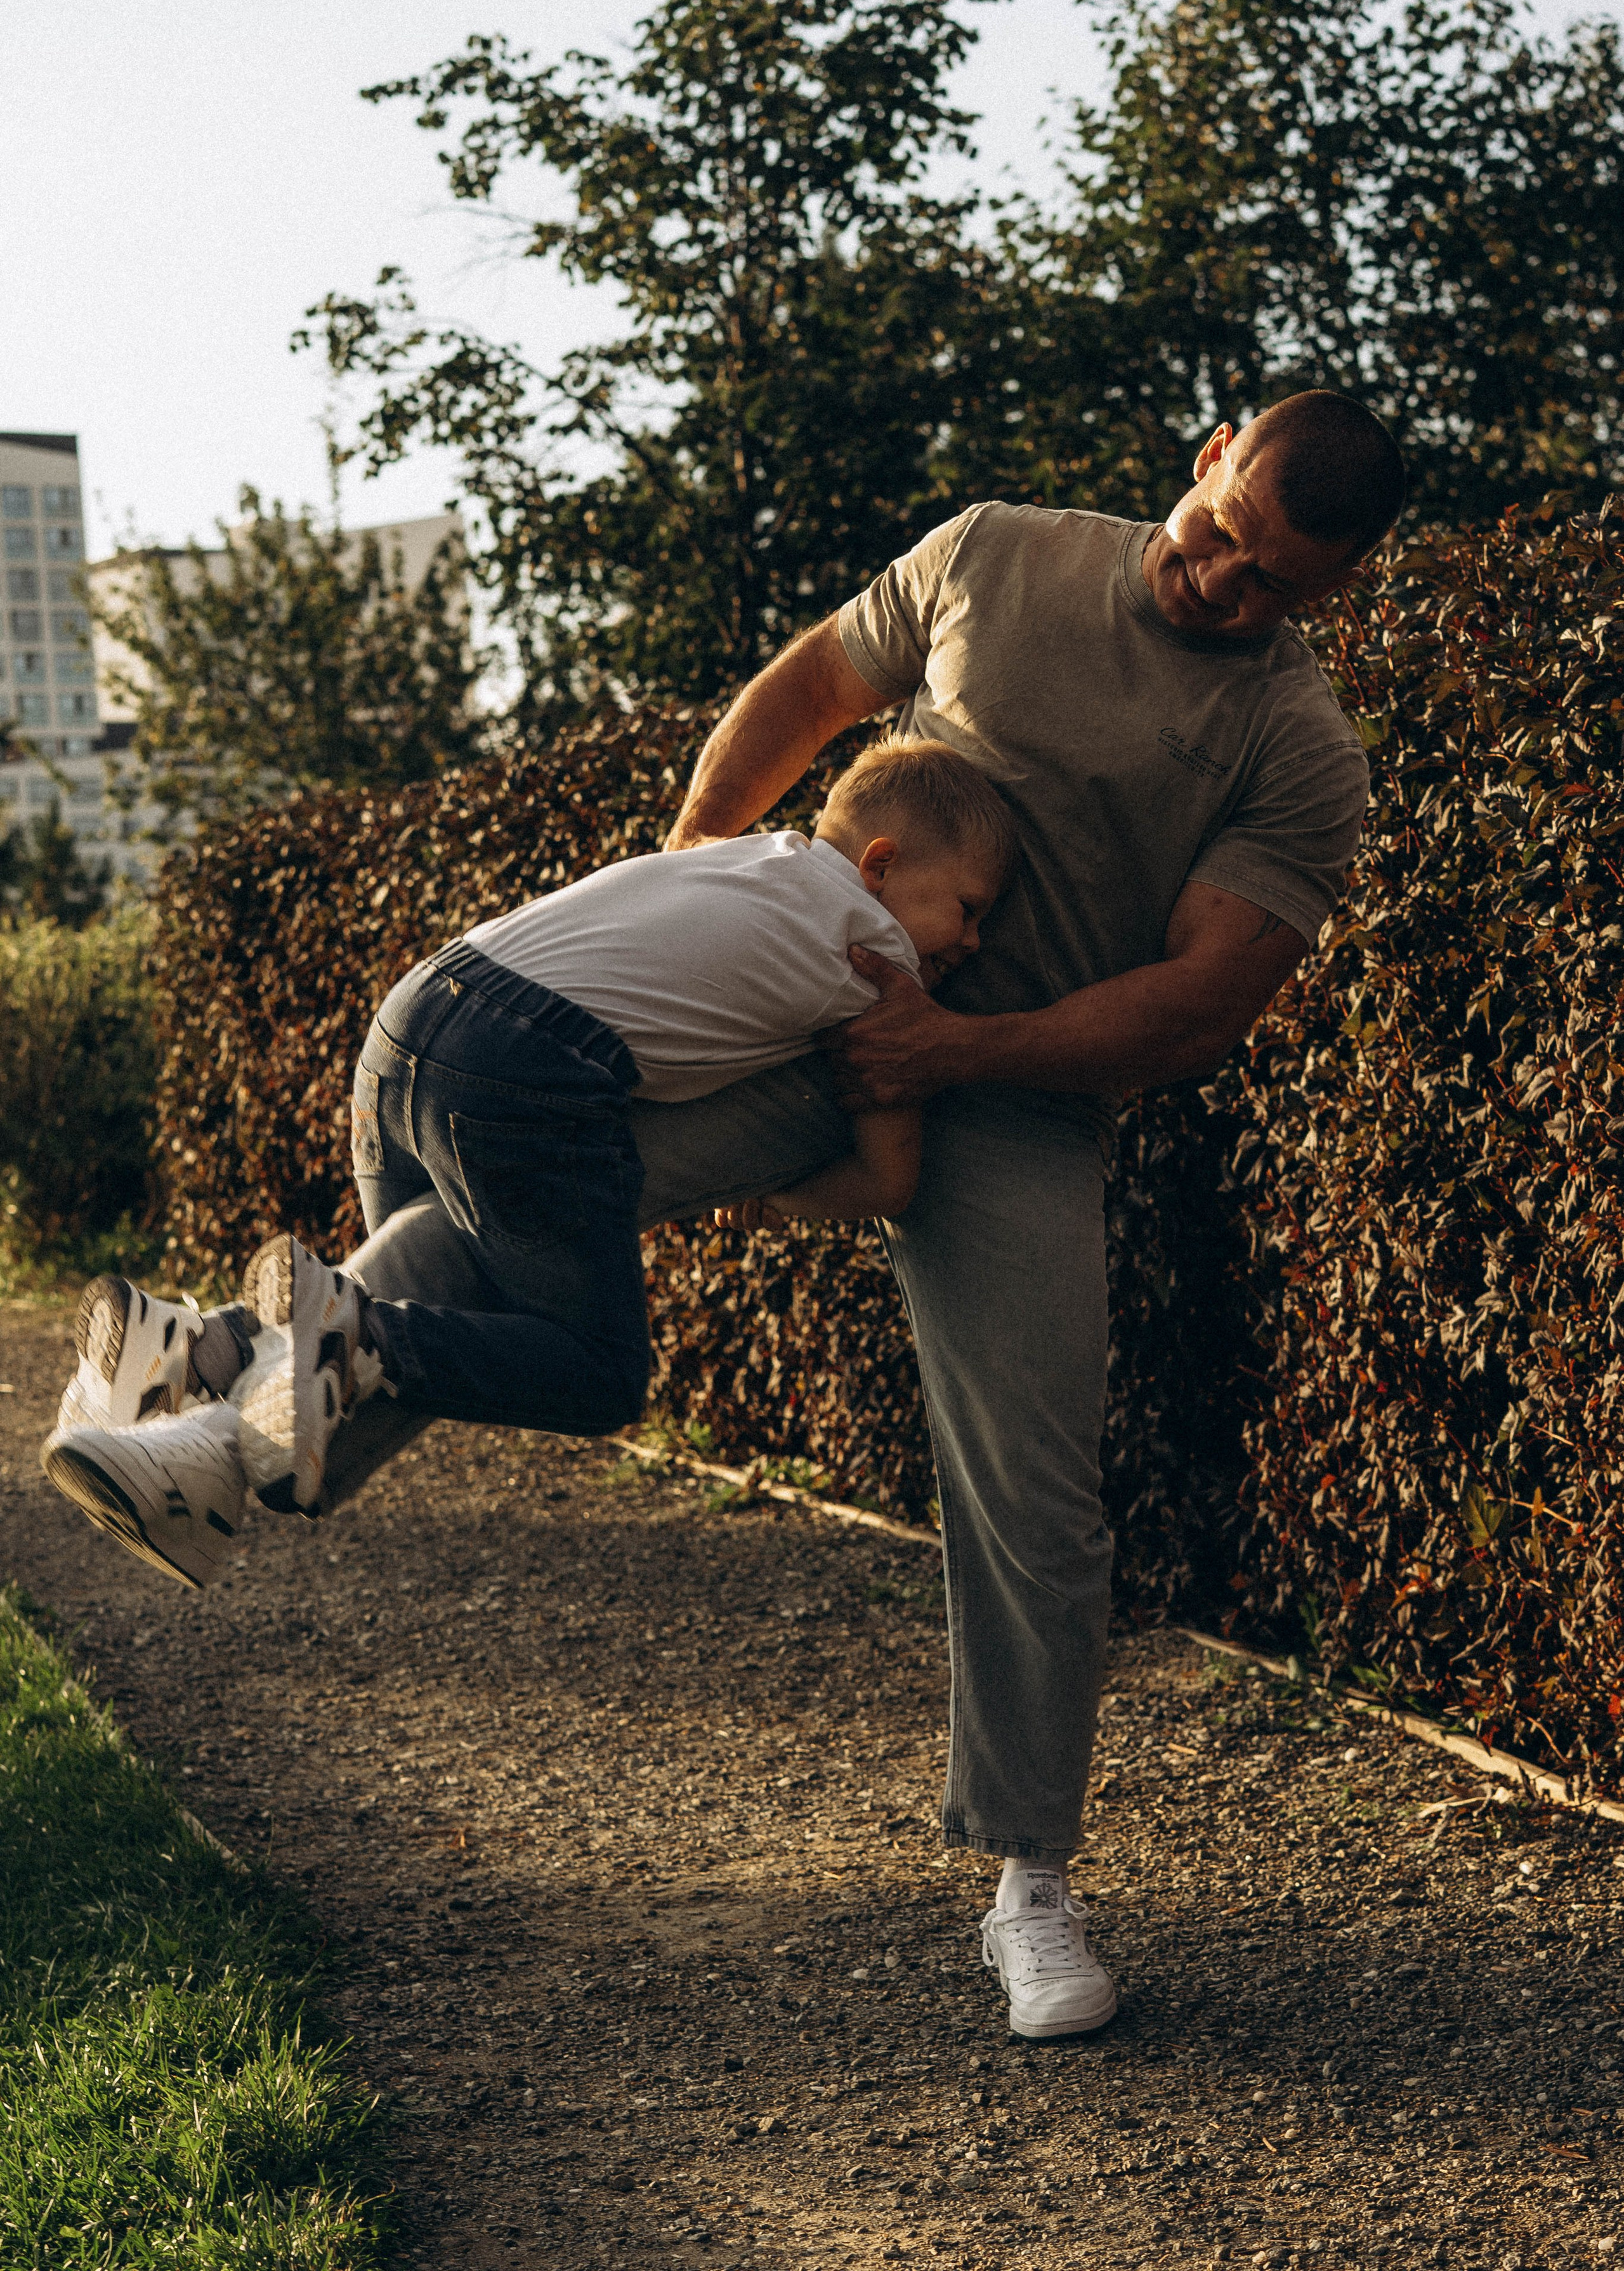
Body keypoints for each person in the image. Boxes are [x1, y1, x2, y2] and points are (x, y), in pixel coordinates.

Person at [50, 389, 1406, 2045]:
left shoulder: (1296, 748)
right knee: (500, 1215)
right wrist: (693, 883)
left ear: (1326, 595)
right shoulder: (995, 553)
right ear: (1203, 459)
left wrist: (957, 1045)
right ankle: (212, 1433)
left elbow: (1201, 1003)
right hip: (814, 1037)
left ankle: (1030, 1890)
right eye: (1220, 538)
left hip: (1023, 1107)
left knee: (1035, 1503)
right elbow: (807, 692)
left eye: (1274, 586)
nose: (1224, 588)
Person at [41, 731, 1013, 1552]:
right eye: (967, 909)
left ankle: (200, 1368)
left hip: (416, 1018)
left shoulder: (748, 857)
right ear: (880, 865)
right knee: (593, 1372)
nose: (969, 945)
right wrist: (776, 1195)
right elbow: (892, 1177)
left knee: (430, 1308)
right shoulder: (877, 952)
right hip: (523, 1067)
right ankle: (336, 1340)